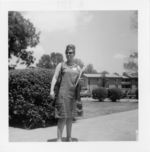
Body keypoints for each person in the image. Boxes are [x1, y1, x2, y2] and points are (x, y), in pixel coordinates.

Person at [50, 44, 81, 142]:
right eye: (67, 52)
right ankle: (59, 139)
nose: (68, 54)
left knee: (70, 118)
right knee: (62, 117)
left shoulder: (78, 68)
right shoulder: (61, 65)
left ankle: (69, 138)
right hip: (62, 95)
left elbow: (78, 83)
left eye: (70, 52)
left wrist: (80, 83)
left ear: (74, 54)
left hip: (72, 96)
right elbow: (55, 77)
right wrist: (51, 90)